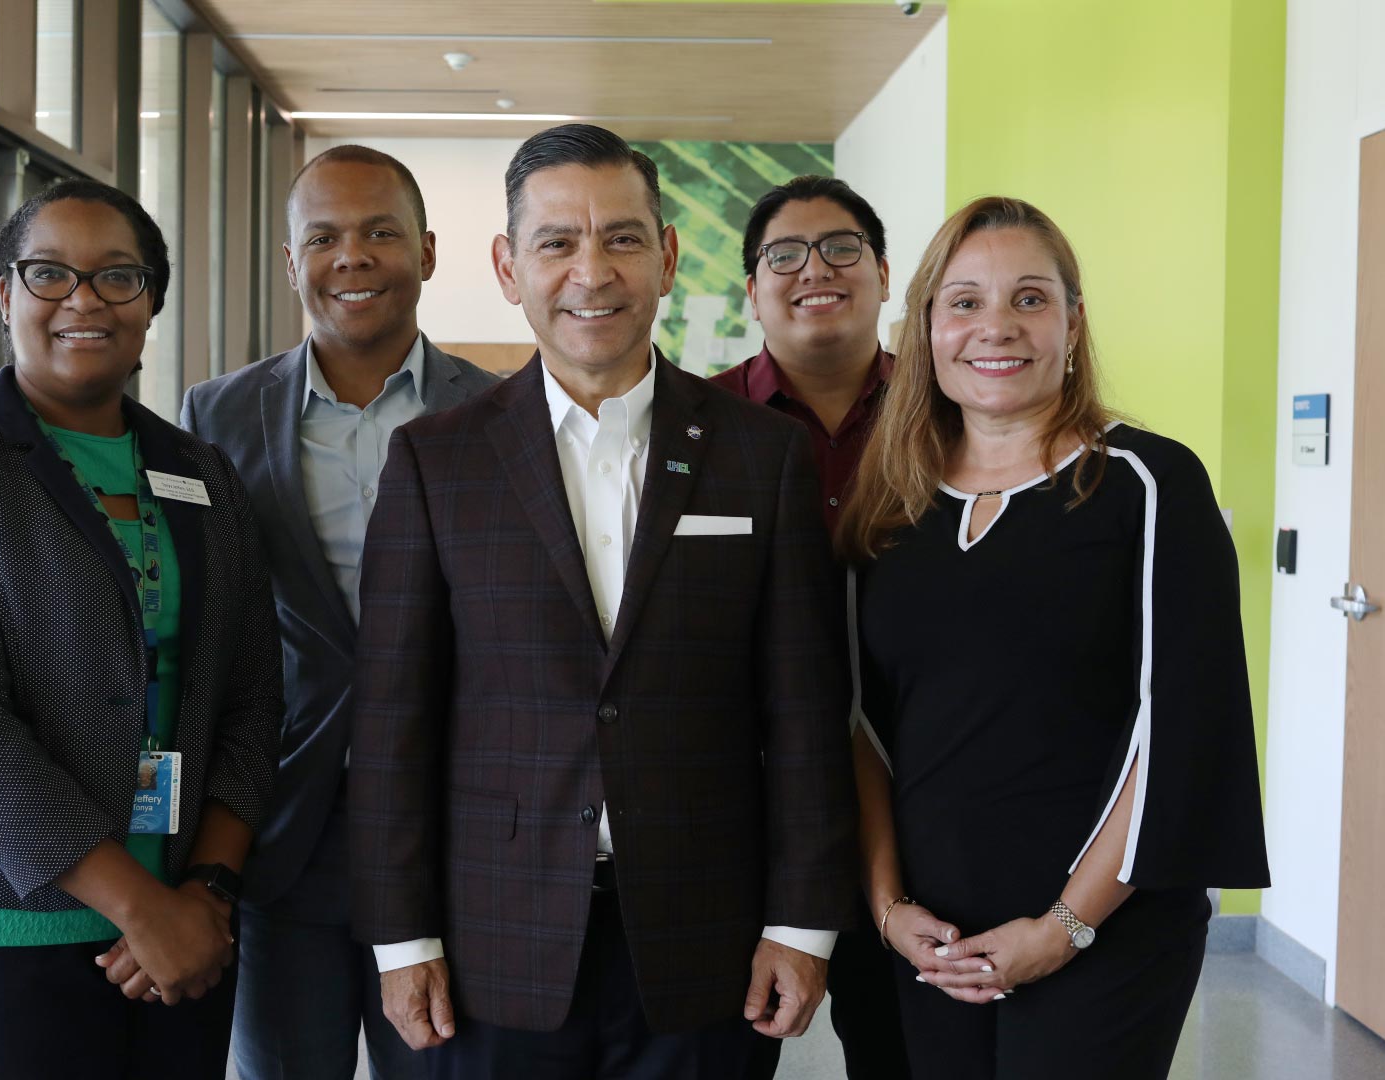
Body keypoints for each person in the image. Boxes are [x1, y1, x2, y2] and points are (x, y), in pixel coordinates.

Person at [347, 123, 859, 1080]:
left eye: (623, 238)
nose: (593, 272)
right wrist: (401, 940)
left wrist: (801, 924)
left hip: (708, 935)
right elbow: (392, 720)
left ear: (665, 256)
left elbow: (803, 711)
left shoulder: (762, 455)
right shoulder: (435, 461)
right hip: (491, 934)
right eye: (556, 243)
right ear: (508, 267)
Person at [837, 196, 1270, 1080]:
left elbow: (1180, 727)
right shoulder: (890, 505)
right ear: (924, 327)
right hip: (932, 938)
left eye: (1030, 299)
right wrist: (887, 909)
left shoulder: (1147, 483)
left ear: (1074, 322)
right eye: (964, 302)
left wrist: (1064, 927)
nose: (997, 327)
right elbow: (862, 724)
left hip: (1106, 929)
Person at [0, 178, 283, 1080]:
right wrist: (143, 911)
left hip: (185, 912)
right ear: (5, 294)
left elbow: (249, 696)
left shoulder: (201, 472)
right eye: (48, 273)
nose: (84, 300)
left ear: (151, 302)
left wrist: (206, 889)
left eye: (117, 277)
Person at [181, 144, 500, 1080]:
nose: (350, 256)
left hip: (456, 829)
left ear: (430, 252)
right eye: (323, 237)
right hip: (281, 824)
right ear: (292, 263)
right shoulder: (216, 417)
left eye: (380, 233)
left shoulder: (504, 414)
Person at [711, 176, 910, 1080]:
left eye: (841, 249)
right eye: (782, 255)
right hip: (741, 818)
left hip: (917, 807)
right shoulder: (696, 426)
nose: (813, 270)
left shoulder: (952, 418)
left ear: (882, 272)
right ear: (752, 289)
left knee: (904, 1050)